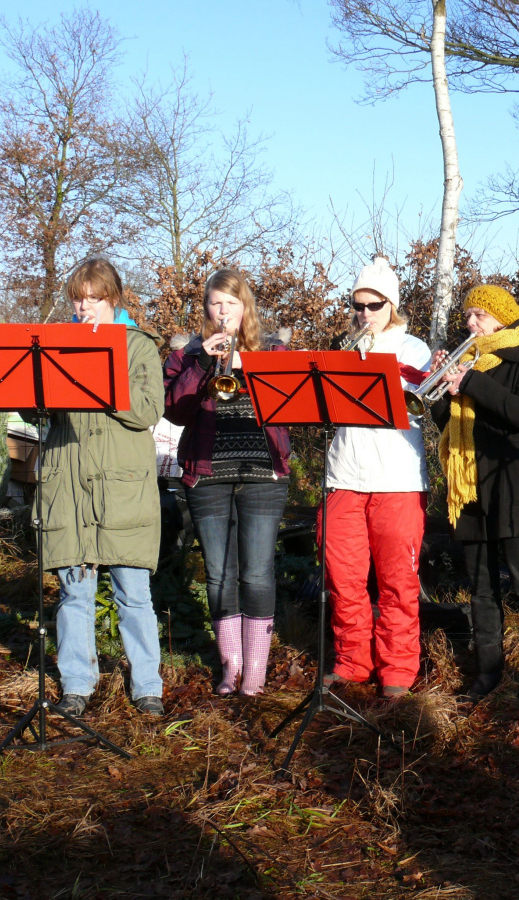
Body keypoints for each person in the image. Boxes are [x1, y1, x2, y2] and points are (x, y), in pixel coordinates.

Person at [163, 268, 291, 696]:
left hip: (262, 475)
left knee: (256, 574)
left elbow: (290, 410)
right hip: (207, 475)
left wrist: (249, 367)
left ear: (245, 307)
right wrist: (202, 364)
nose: (223, 311)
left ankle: (255, 669)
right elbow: (175, 411)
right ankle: (229, 666)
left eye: (231, 303)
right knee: (219, 575)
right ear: (206, 308)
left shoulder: (273, 350)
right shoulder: (188, 354)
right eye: (216, 303)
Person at [48, 259, 165, 717]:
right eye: (78, 298)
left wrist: (101, 378)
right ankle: (76, 684)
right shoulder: (55, 345)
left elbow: (149, 411)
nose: (84, 307)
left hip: (123, 490)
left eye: (94, 298)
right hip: (69, 485)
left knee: (133, 593)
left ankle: (147, 687)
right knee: (74, 593)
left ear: (113, 299)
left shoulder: (138, 346)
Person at [429, 284, 519, 710]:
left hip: (513, 486)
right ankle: (488, 672)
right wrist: (443, 390)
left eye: (479, 315)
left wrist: (471, 381)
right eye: (468, 315)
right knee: (481, 589)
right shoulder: (469, 361)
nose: (470, 323)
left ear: (503, 317)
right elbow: (445, 422)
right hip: (469, 488)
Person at [321, 257, 430, 698]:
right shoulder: (344, 348)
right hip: (343, 476)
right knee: (343, 580)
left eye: (374, 304)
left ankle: (398, 669)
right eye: (358, 305)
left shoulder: (414, 348)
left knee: (397, 581)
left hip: (398, 479)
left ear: (392, 305)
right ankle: (351, 662)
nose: (364, 313)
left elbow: (420, 398)